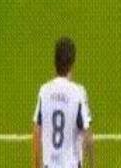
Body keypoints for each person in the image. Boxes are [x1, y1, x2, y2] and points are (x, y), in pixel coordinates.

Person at [32, 37, 95, 168]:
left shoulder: (44, 91)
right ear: (72, 63)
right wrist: (93, 165)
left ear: (55, 62)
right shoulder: (78, 93)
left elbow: (37, 132)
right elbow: (87, 136)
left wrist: (36, 165)